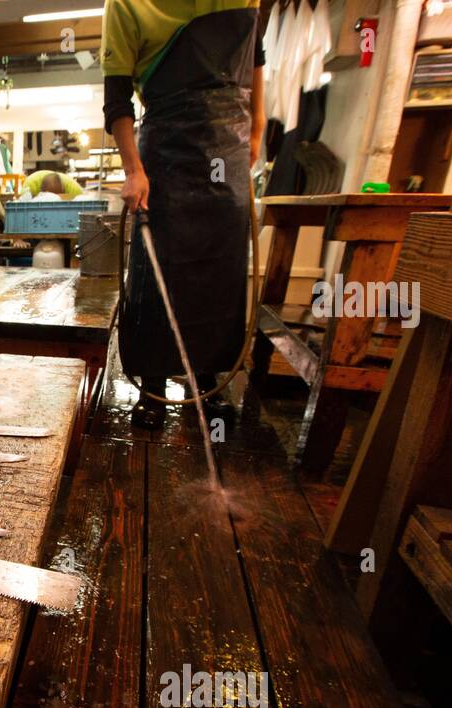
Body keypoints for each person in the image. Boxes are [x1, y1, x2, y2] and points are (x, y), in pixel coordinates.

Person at [102, 0, 267, 428]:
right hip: (165, 153)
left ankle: (207, 382)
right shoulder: (126, 5)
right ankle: (154, 388)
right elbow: (116, 98)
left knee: (220, 271)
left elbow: (256, 57)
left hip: (226, 147)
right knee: (159, 273)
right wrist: (133, 170)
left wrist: (258, 126)